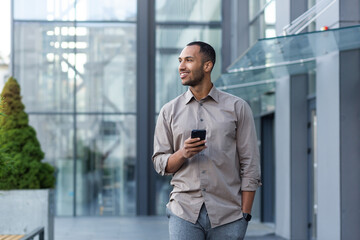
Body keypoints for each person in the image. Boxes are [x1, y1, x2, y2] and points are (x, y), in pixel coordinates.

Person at [152, 41, 261, 240]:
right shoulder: (169, 111)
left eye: (189, 60)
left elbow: (250, 164)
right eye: (180, 61)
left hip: (228, 215)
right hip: (184, 212)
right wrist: (183, 153)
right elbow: (160, 163)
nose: (181, 66)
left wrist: (245, 214)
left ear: (207, 65)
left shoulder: (237, 108)